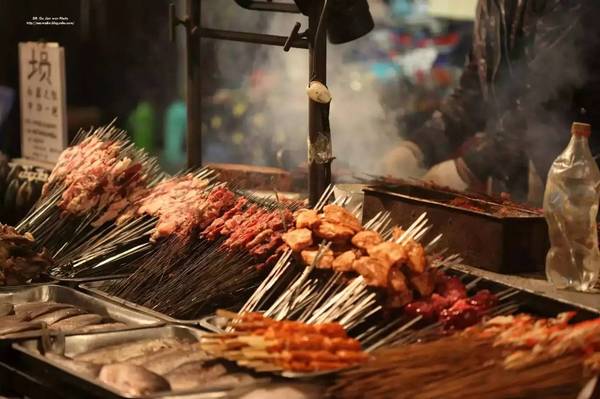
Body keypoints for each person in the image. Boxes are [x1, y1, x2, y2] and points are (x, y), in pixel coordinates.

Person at [383, 0, 600, 202]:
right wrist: (419, 147)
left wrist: (472, 166)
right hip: (513, 182)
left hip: (577, 180)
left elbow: (545, 99)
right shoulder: (491, 4)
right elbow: (474, 90)